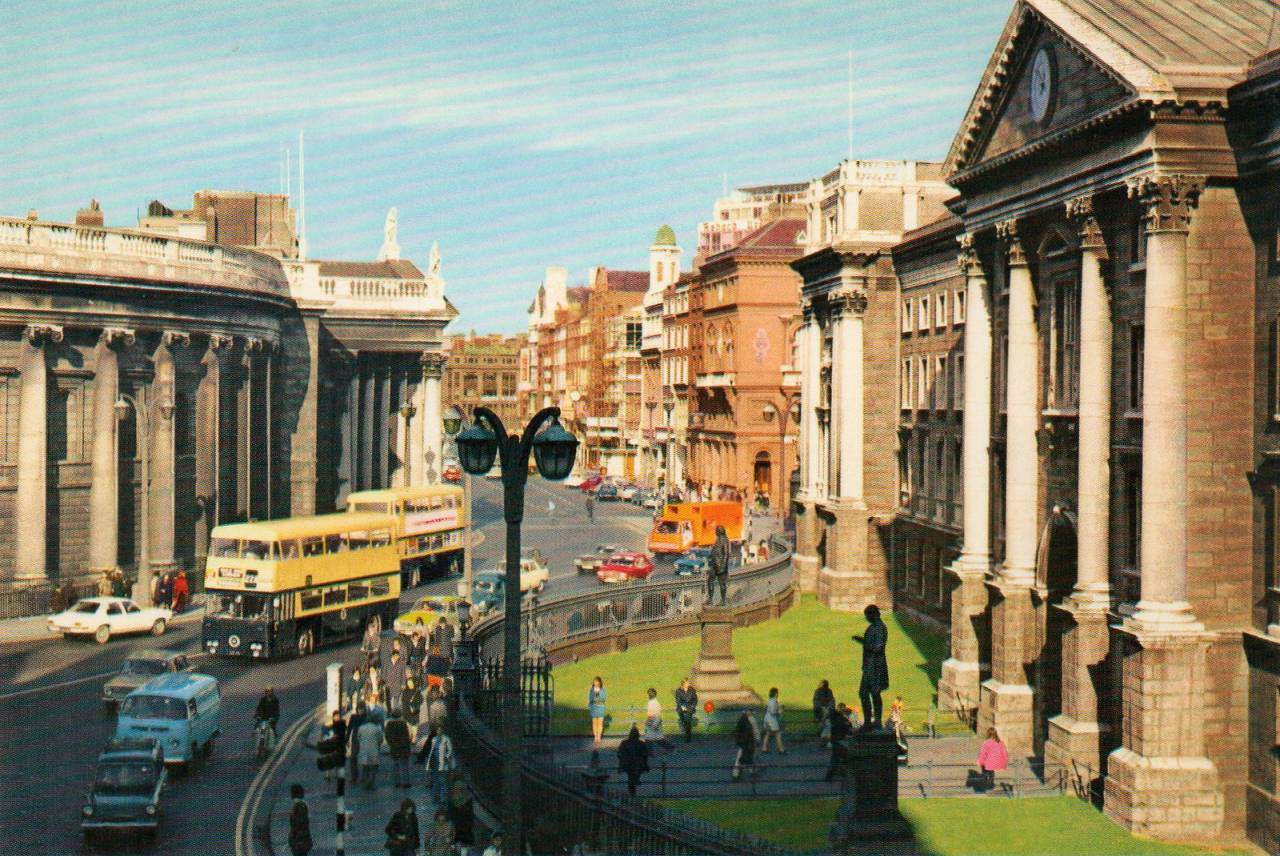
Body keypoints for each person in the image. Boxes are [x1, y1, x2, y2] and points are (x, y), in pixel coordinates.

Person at [853, 604, 889, 730]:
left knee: (871, 692)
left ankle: (874, 721)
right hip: (870, 664)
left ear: (873, 614)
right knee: (869, 693)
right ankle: (871, 721)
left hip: (875, 665)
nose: (866, 618)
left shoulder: (879, 628)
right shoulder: (874, 627)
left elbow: (877, 648)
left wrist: (862, 641)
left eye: (867, 615)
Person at [421, 724, 456, 806]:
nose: (438, 732)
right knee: (436, 782)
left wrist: (446, 757)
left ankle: (443, 799)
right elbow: (430, 752)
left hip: (444, 764)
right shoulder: (434, 739)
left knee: (443, 782)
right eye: (437, 730)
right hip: (435, 764)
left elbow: (450, 750)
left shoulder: (446, 739)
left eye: (440, 730)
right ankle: (436, 798)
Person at [447, 771, 476, 854]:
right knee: (465, 846)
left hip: (457, 825)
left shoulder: (452, 792)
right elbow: (470, 814)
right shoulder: (467, 795)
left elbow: (451, 812)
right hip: (466, 825)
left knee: (457, 844)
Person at [824, 703, 855, 781]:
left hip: (835, 741)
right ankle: (844, 774)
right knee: (844, 758)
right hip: (841, 742)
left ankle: (830, 776)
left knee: (835, 759)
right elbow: (849, 730)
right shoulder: (843, 720)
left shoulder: (834, 720)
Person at [616, 725, 649, 796]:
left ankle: (632, 791)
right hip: (636, 764)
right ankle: (635, 784)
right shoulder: (641, 743)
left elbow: (619, 754)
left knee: (630, 777)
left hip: (628, 764)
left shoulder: (625, 743)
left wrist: (622, 762)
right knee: (633, 776)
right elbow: (645, 755)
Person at [385, 711, 413, 789]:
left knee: (395, 764)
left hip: (394, 748)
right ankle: (406, 782)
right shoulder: (405, 723)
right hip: (404, 748)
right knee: (404, 765)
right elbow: (410, 736)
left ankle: (397, 782)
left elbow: (387, 736)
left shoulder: (389, 724)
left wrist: (391, 743)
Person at [977, 727, 1008, 792]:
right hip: (996, 762)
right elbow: (1005, 752)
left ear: (988, 734)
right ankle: (990, 786)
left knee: (985, 772)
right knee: (991, 773)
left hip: (988, 762)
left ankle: (985, 787)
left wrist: (980, 761)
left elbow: (983, 753)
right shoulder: (1000, 742)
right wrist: (1005, 762)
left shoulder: (986, 742)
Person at [358, 713, 384, 790]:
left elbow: (358, 738)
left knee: (365, 768)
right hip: (374, 750)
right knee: (374, 768)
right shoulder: (377, 729)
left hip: (363, 750)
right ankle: (371, 783)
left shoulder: (361, 728)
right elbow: (380, 740)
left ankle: (366, 783)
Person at [731, 710, 758, 780]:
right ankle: (738, 773)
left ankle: (737, 773)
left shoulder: (741, 719)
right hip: (749, 742)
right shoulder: (751, 720)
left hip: (743, 742)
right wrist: (757, 740)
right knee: (747, 756)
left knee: (742, 757)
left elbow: (737, 731)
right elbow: (755, 731)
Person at [707, 525, 731, 605]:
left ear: (720, 531)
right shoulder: (718, 539)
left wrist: (723, 566)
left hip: (721, 565)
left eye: (716, 530)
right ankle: (710, 599)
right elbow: (715, 551)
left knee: (722, 583)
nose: (715, 532)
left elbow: (726, 554)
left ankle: (723, 601)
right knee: (710, 581)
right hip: (714, 564)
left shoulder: (725, 540)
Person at [323, 709, 348, 784]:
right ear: (333, 717)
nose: (337, 717)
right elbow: (324, 732)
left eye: (338, 716)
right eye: (335, 716)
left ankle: (337, 775)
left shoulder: (342, 723)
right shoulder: (329, 724)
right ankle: (327, 775)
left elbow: (345, 733)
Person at [288, 783, 312, 856]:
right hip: (301, 840)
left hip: (299, 841)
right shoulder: (300, 805)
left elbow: (299, 823)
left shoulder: (299, 806)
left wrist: (292, 838)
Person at [347, 703, 368, 785]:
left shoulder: (367, 717)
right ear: (357, 709)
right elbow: (349, 728)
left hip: (364, 739)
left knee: (364, 759)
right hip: (355, 739)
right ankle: (354, 777)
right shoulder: (353, 717)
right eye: (359, 709)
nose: (360, 711)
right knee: (353, 758)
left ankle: (364, 777)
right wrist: (347, 739)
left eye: (362, 709)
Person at [761, 687, 785, 754]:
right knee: (778, 734)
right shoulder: (773, 701)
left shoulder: (769, 700)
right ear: (776, 694)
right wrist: (780, 711)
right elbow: (773, 711)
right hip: (772, 720)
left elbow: (766, 708)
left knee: (768, 733)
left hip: (767, 719)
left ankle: (764, 748)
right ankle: (781, 749)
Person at [674, 678, 698, 743]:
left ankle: (688, 736)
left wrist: (692, 706)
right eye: (687, 683)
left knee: (688, 721)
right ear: (684, 684)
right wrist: (682, 706)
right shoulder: (678, 691)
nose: (689, 683)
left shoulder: (692, 690)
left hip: (690, 708)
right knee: (684, 721)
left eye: (689, 683)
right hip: (681, 708)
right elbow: (678, 700)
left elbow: (695, 699)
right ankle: (684, 729)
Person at [588, 677, 606, 745]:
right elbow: (590, 698)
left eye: (597, 682)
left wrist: (599, 698)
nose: (596, 683)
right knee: (595, 723)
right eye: (595, 682)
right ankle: (595, 737)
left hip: (600, 707)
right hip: (594, 708)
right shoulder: (592, 690)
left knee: (600, 722)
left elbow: (604, 697)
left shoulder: (602, 689)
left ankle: (599, 736)